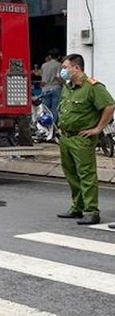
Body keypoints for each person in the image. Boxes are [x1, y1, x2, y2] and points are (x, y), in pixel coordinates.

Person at [57, 53, 115, 225]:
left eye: (65, 67)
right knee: (71, 174)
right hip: (66, 137)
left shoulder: (93, 87)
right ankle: (77, 207)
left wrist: (98, 128)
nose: (63, 71)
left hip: (82, 139)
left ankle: (91, 211)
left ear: (76, 68)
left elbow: (109, 105)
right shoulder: (68, 87)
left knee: (86, 175)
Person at [41, 49, 63, 125]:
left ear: (49, 56)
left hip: (45, 88)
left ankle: (44, 125)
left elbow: (43, 78)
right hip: (56, 88)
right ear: (59, 56)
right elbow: (58, 77)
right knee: (55, 108)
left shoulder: (44, 65)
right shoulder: (59, 65)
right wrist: (62, 84)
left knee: (45, 108)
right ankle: (53, 126)